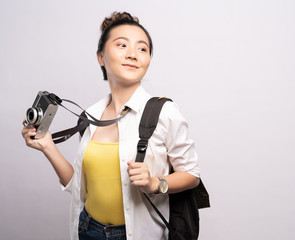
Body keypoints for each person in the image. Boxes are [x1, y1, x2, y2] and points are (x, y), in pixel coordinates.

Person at [21, 11, 200, 240]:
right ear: (101, 57)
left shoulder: (164, 112)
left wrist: (155, 183)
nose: (133, 54)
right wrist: (47, 146)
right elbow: (81, 189)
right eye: (122, 45)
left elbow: (192, 174)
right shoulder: (89, 116)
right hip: (87, 230)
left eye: (142, 48)